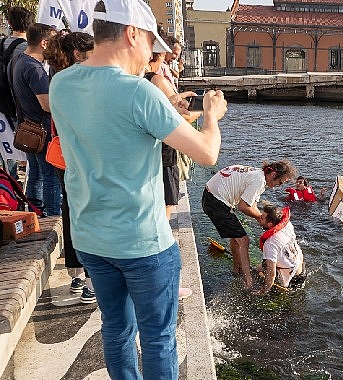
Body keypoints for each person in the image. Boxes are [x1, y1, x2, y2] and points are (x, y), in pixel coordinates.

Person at [49, 0, 227, 378]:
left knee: (115, 330)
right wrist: (211, 115)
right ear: (131, 34)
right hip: (142, 242)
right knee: (159, 339)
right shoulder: (138, 93)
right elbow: (208, 152)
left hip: (90, 237)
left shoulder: (61, 84)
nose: (152, 55)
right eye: (150, 43)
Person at [43, 31, 96, 302]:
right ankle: (89, 281)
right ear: (78, 54)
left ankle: (77, 277)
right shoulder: (76, 81)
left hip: (63, 156)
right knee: (85, 214)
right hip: (77, 156)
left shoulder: (57, 78)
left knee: (71, 212)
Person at [144, 50, 200, 300]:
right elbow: (206, 151)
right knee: (162, 224)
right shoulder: (153, 80)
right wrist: (207, 113)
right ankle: (166, 284)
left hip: (146, 163)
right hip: (164, 159)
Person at [202, 161, 297, 288]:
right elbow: (243, 206)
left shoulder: (258, 174)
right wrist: (259, 217)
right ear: (273, 174)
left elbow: (252, 205)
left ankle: (237, 269)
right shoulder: (259, 181)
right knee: (244, 240)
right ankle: (248, 281)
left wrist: (262, 219)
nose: (275, 187)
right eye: (279, 182)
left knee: (235, 235)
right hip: (216, 202)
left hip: (210, 196)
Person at [8, 23, 60, 216]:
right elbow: (47, 105)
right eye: (53, 42)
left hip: (27, 128)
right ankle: (53, 218)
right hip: (42, 131)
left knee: (36, 175)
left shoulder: (17, 60)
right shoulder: (35, 69)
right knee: (50, 177)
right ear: (44, 43)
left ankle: (36, 213)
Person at [1, 7, 33, 180]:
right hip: (18, 105)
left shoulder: (1, 43)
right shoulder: (28, 49)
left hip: (1, 103)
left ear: (10, 23)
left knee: (5, 151)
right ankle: (17, 190)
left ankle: (7, 188)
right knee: (23, 149)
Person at [252, 203, 304, 295]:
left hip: (292, 281)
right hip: (301, 268)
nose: (259, 217)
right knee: (260, 267)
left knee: (260, 271)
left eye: (262, 218)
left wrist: (263, 291)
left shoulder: (270, 243)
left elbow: (271, 273)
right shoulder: (287, 224)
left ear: (270, 224)